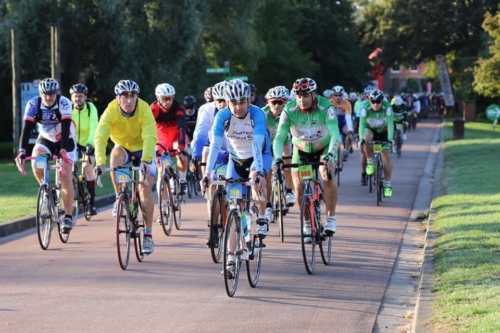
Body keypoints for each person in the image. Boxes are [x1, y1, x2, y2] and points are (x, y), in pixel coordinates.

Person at [94, 80, 157, 254]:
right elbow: (100, 137)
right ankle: (119, 197)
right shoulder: (111, 110)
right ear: (118, 98)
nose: (129, 101)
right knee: (114, 156)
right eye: (124, 96)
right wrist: (100, 162)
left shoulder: (144, 109)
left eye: (132, 96)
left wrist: (145, 160)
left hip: (143, 149)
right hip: (123, 148)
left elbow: (151, 136)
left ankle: (148, 236)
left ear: (137, 96)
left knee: (145, 188)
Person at [273, 77, 341, 241]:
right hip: (302, 151)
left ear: (313, 95)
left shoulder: (326, 107)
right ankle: (307, 224)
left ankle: (331, 218)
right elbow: (280, 136)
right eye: (298, 96)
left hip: (324, 148)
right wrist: (277, 158)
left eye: (305, 96)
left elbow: (334, 133)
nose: (302, 100)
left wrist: (331, 153)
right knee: (299, 186)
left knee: (326, 173)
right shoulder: (289, 110)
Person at [202, 79, 272, 238]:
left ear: (249, 100)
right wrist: (206, 174)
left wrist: (259, 172)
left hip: (259, 155)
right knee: (234, 199)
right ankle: (238, 243)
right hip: (236, 160)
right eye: (233, 103)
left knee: (255, 183)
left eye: (242, 102)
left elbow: (256, 144)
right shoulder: (222, 116)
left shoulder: (258, 114)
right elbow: (214, 146)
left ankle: (262, 217)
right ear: (227, 102)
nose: (238, 107)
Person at [15, 78, 77, 233]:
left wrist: (63, 151)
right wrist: (22, 151)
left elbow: (65, 126)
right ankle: (46, 189)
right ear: (40, 93)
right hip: (46, 139)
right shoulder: (33, 104)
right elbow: (27, 129)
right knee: (36, 162)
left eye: (51, 94)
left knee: (65, 176)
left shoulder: (64, 103)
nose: (48, 98)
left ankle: (68, 216)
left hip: (66, 139)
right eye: (45, 94)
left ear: (57, 93)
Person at [190, 81, 230, 228]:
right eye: (219, 101)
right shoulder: (206, 110)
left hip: (233, 149)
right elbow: (200, 135)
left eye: (226, 100)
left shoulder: (237, 110)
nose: (222, 104)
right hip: (212, 147)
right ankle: (213, 227)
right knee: (211, 187)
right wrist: (195, 157)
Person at [262, 85, 295, 223]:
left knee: (287, 159)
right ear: (267, 102)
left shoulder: (289, 113)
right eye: (273, 102)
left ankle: (288, 190)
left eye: (279, 102)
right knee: (268, 173)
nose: (276, 105)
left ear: (285, 102)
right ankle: (268, 206)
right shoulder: (262, 114)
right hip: (267, 146)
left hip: (284, 142)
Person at [150, 83, 188, 195]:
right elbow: (146, 127)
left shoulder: (178, 108)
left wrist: (181, 147)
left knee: (182, 154)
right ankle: (164, 205)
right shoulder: (153, 109)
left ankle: (182, 180)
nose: (168, 101)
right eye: (165, 99)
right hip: (161, 141)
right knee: (161, 171)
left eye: (170, 98)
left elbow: (182, 127)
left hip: (176, 138)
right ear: (158, 98)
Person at [358, 89, 394, 197]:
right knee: (366, 137)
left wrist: (391, 138)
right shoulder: (365, 108)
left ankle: (388, 184)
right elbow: (362, 125)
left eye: (378, 101)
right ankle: (369, 161)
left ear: (382, 100)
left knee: (386, 157)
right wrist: (361, 139)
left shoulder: (387, 107)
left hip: (384, 131)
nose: (375, 104)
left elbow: (390, 123)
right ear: (369, 101)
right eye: (373, 101)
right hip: (371, 130)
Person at [70, 83, 99, 215]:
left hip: (89, 142)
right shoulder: (68, 108)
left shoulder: (90, 108)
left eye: (80, 96)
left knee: (88, 169)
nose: (78, 99)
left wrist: (89, 144)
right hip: (73, 142)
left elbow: (94, 127)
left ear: (85, 97)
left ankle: (92, 204)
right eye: (75, 96)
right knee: (69, 171)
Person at [330, 85, 354, 160]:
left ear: (343, 95)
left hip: (343, 123)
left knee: (348, 133)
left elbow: (348, 117)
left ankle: (346, 149)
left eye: (340, 95)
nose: (338, 97)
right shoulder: (329, 102)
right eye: (336, 95)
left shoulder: (347, 103)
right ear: (333, 95)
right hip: (333, 123)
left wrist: (350, 129)